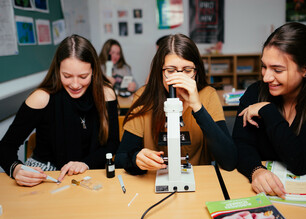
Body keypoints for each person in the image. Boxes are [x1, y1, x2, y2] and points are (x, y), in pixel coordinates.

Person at [233, 23, 306, 199]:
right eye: (264, 66)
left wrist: (268, 111)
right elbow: (241, 144)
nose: (266, 77)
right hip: (270, 195)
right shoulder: (256, 92)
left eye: (277, 70)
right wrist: (256, 171)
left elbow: (301, 162)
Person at [0, 35, 120, 186]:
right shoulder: (42, 98)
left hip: (91, 172)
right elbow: (5, 147)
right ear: (58, 70)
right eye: (67, 76)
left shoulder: (105, 93)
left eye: (83, 76)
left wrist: (85, 163)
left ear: (94, 71)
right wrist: (16, 169)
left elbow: (113, 143)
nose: (75, 85)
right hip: (48, 175)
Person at [115, 34, 237, 174]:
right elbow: (120, 159)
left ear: (196, 71)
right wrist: (136, 159)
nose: (179, 78)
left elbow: (230, 161)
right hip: (153, 180)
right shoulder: (144, 97)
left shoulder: (208, 95)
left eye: (187, 70)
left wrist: (198, 107)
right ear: (159, 71)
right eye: (171, 71)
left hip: (199, 181)